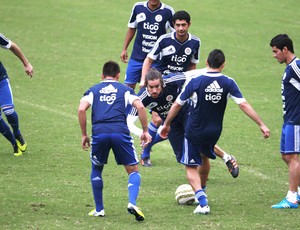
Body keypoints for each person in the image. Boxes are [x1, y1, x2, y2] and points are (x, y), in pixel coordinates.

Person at [160, 49, 270, 214]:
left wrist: (167, 123)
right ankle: (201, 191)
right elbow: (243, 104)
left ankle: (203, 202)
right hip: (214, 131)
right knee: (204, 157)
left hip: (194, 130)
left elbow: (177, 104)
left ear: (206, 63)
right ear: (223, 65)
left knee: (190, 166)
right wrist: (261, 124)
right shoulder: (229, 82)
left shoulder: (196, 81)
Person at [127, 68, 240, 183]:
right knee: (183, 157)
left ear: (162, 83)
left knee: (197, 140)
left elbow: (191, 74)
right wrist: (143, 133)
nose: (154, 90)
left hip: (188, 113)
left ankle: (227, 158)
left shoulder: (172, 80)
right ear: (146, 85)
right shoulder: (142, 97)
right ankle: (199, 173)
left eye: (157, 86)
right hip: (171, 123)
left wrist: (212, 71)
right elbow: (129, 122)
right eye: (151, 87)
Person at [78, 61, 152, 221]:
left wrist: (84, 134)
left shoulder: (93, 90)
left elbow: (81, 109)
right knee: (133, 170)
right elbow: (140, 107)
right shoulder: (125, 89)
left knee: (96, 169)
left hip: (100, 133)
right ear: (118, 75)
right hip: (120, 132)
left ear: (102, 76)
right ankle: (132, 203)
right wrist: (145, 130)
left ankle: (99, 209)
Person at [269, 34, 300, 209]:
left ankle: (292, 198)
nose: (274, 55)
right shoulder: (290, 68)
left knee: (293, 156)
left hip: (296, 119)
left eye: (276, 51)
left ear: (285, 49)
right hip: (289, 118)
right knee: (286, 155)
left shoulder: (296, 66)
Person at [120, 0, 174, 90]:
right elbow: (132, 28)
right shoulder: (138, 7)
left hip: (155, 60)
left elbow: (174, 34)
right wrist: (124, 49)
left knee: (150, 88)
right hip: (137, 56)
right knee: (128, 87)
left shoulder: (168, 11)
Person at [140, 10, 200, 88]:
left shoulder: (195, 42)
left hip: (180, 82)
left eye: (183, 25)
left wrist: (190, 83)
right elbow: (148, 60)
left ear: (189, 24)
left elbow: (192, 64)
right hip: (162, 81)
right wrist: (143, 80)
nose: (181, 28)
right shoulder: (164, 39)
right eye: (178, 25)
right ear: (173, 25)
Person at [0, 33, 33, 156]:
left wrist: (26, 63)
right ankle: (14, 144)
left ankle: (17, 132)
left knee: (8, 110)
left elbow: (12, 46)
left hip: (0, 80)